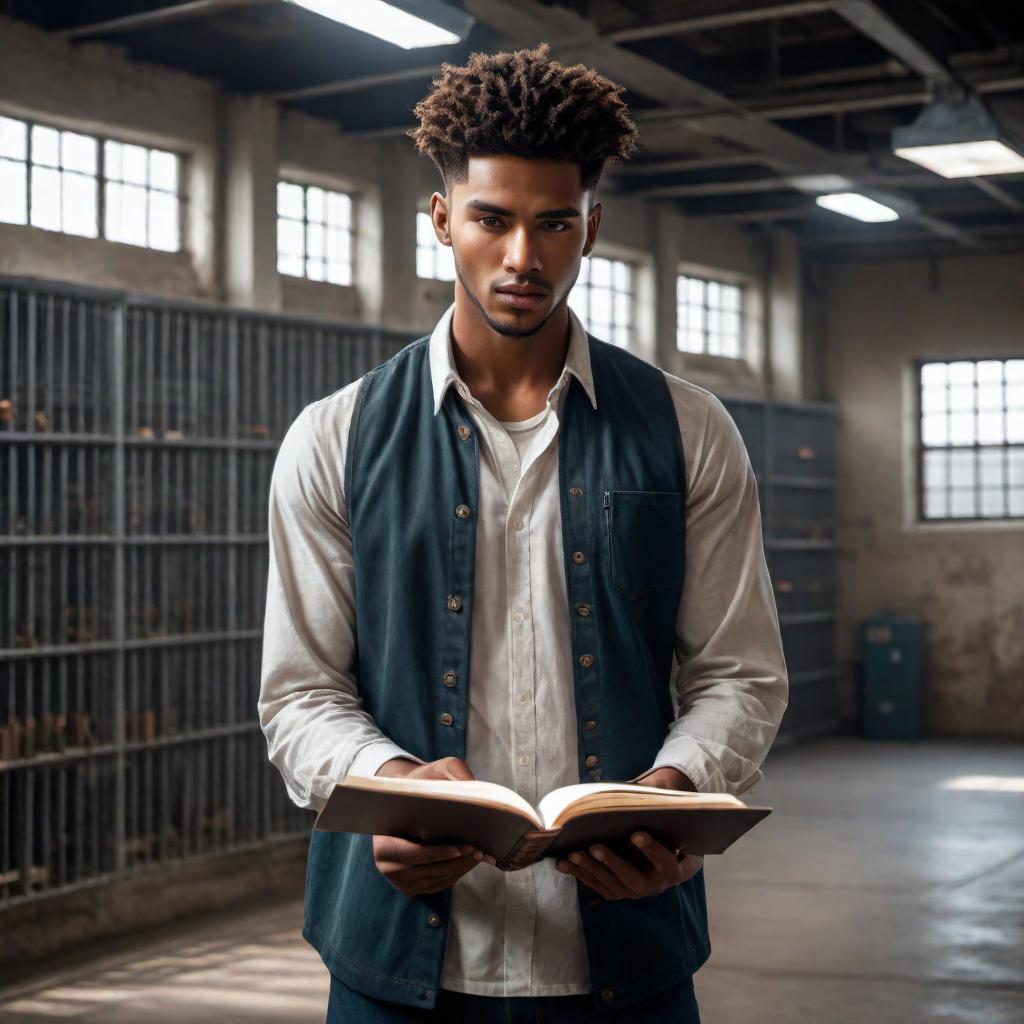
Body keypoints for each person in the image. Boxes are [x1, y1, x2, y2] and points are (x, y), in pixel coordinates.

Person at [259, 42, 788, 1023]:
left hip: (628, 954)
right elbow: (301, 692)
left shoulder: (685, 428)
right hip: (394, 957)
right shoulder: (333, 437)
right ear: (441, 218)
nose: (522, 258)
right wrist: (389, 783)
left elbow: (739, 672)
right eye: (491, 220)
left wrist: (676, 789)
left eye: (553, 225)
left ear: (592, 225)